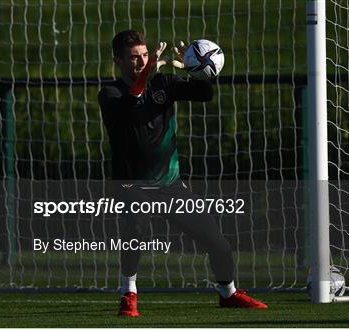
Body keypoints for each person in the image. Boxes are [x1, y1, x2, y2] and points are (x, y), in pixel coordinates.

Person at [98, 30, 267, 317]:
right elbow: (128, 110)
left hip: (170, 185)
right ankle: (129, 293)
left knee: (219, 244)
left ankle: (228, 293)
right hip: (132, 186)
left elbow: (205, 94)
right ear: (118, 60)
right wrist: (147, 75)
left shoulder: (163, 82)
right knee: (135, 230)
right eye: (133, 57)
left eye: (144, 55)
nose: (140, 61)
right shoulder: (110, 93)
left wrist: (198, 70)